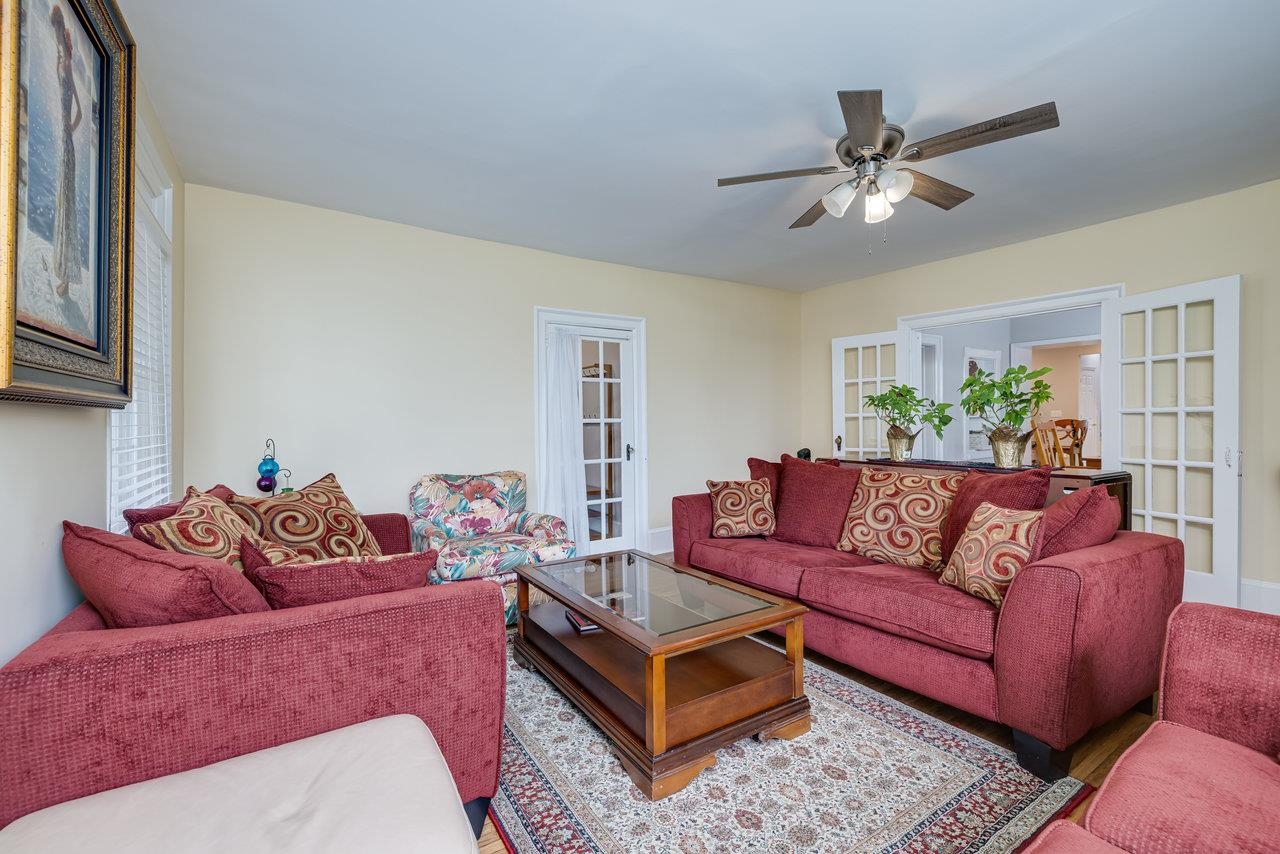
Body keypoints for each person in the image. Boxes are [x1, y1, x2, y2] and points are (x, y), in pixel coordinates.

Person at [49, 4, 82, 299]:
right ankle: (61, 268)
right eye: (54, 27)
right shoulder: (58, 60)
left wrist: (69, 127)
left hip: (66, 140)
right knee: (61, 198)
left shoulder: (68, 64)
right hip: (62, 138)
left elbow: (80, 112)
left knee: (67, 200)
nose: (56, 33)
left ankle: (67, 278)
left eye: (59, 27)